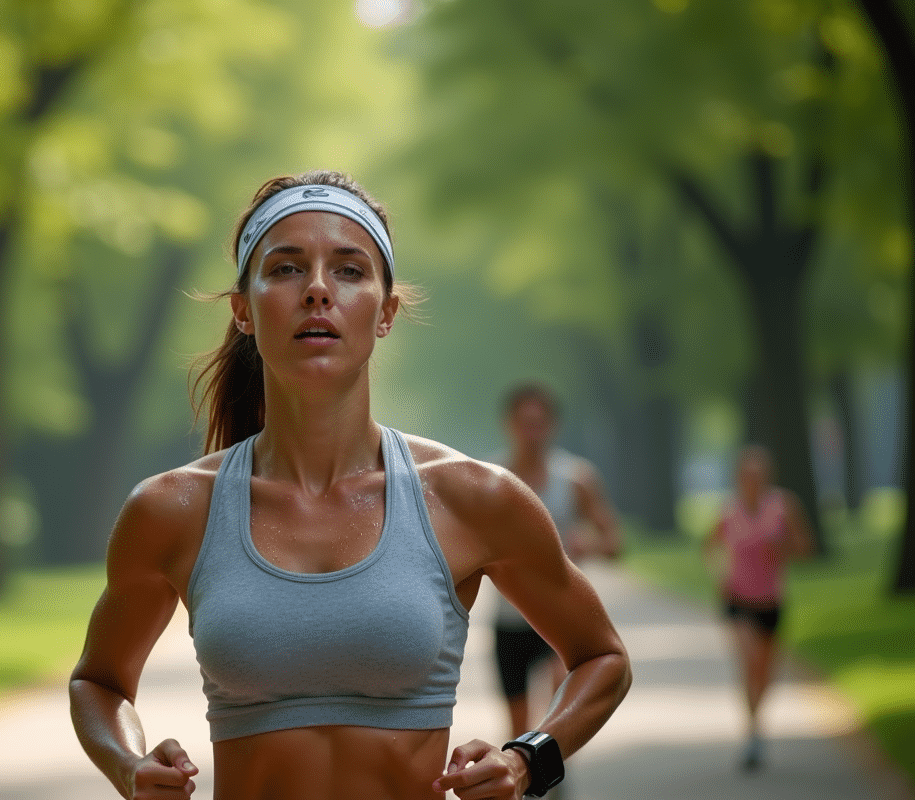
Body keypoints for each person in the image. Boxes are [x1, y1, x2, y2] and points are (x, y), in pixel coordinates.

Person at [69, 170, 631, 800]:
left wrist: (528, 760)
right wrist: (128, 766)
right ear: (243, 309)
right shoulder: (171, 509)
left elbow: (602, 658)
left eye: (349, 270)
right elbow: (98, 682)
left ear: (386, 311)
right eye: (285, 268)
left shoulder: (470, 497)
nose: (316, 289)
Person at [491, 384, 622, 745]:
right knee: (517, 727)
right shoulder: (491, 478)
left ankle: (553, 763)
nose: (531, 433)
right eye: (524, 424)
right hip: (510, 617)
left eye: (539, 424)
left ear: (553, 426)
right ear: (509, 425)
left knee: (556, 715)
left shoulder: (576, 478)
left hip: (561, 614)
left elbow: (614, 542)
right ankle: (528, 771)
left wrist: (588, 545)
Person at [703, 444, 813, 771]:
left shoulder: (783, 506)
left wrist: (784, 546)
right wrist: (720, 576)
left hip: (771, 600)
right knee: (749, 662)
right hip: (738, 599)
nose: (753, 481)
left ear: (768, 476)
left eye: (759, 475)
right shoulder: (728, 511)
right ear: (739, 477)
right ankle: (752, 735)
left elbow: (806, 547)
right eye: (747, 475)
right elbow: (709, 547)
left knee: (765, 671)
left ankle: (757, 724)